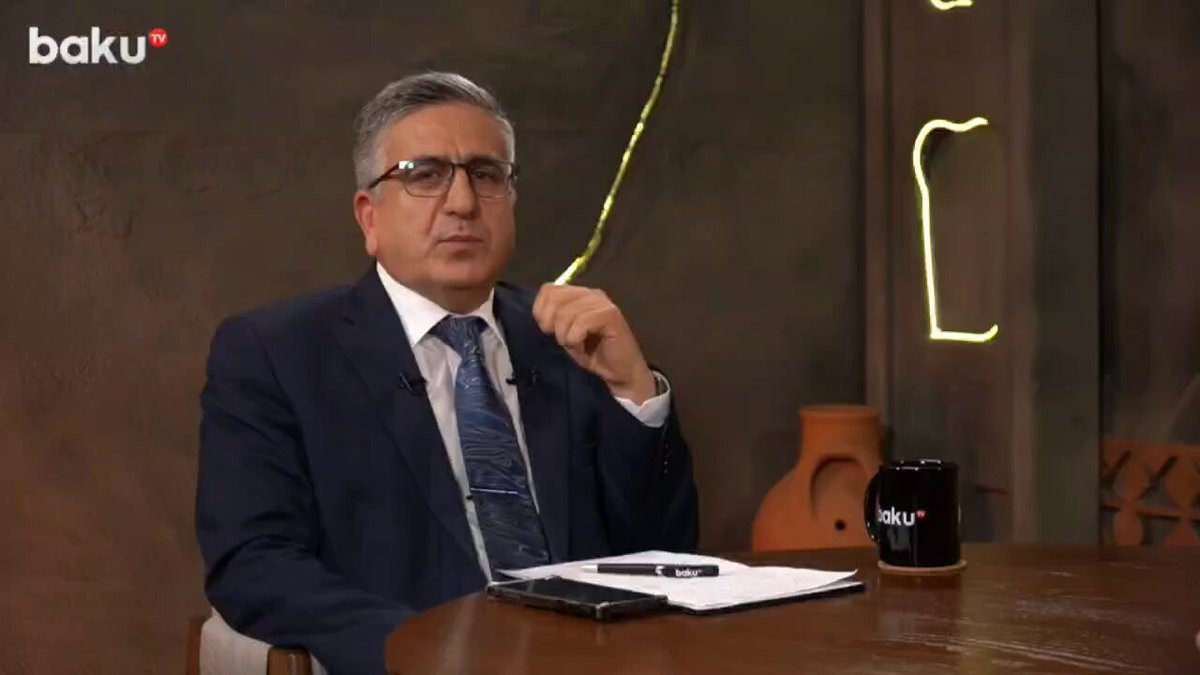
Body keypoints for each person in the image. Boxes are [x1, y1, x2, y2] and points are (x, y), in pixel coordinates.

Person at [194, 72, 699, 675]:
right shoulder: (276, 354)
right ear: (369, 217)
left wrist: (634, 392)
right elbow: (252, 563)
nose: (462, 203)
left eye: (486, 174)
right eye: (425, 175)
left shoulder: (569, 339)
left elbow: (667, 552)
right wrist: (427, 649)